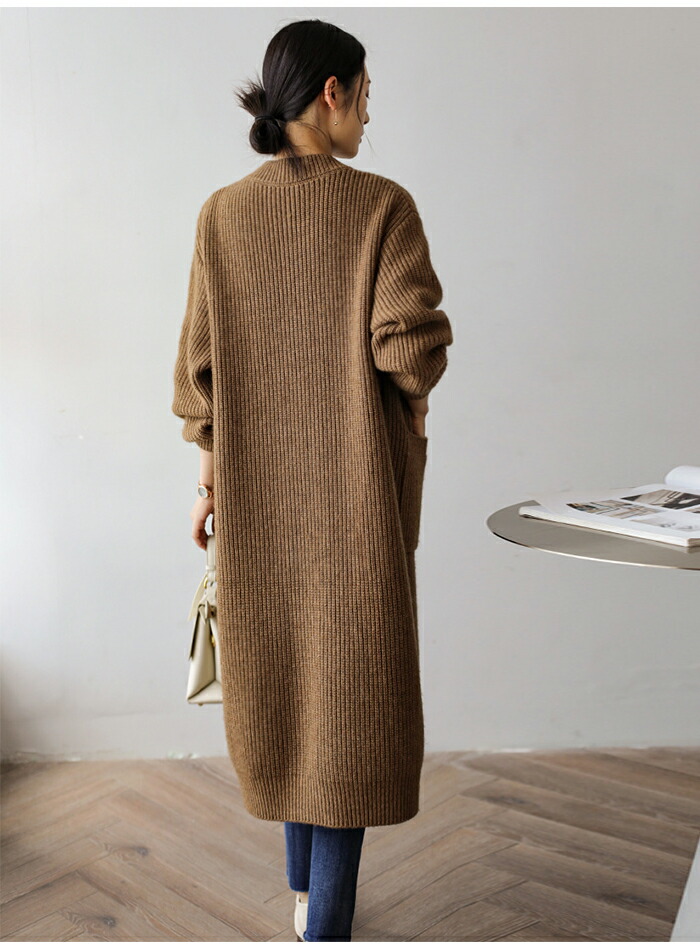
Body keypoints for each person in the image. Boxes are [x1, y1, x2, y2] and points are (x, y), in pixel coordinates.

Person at [172, 18, 453, 942]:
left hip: (258, 501)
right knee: (350, 703)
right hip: (356, 499)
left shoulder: (221, 214)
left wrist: (210, 488)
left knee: (289, 688)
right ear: (331, 93)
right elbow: (408, 348)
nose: (369, 116)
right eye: (365, 96)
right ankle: (324, 923)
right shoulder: (382, 207)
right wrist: (418, 402)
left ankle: (304, 896)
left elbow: (200, 377)